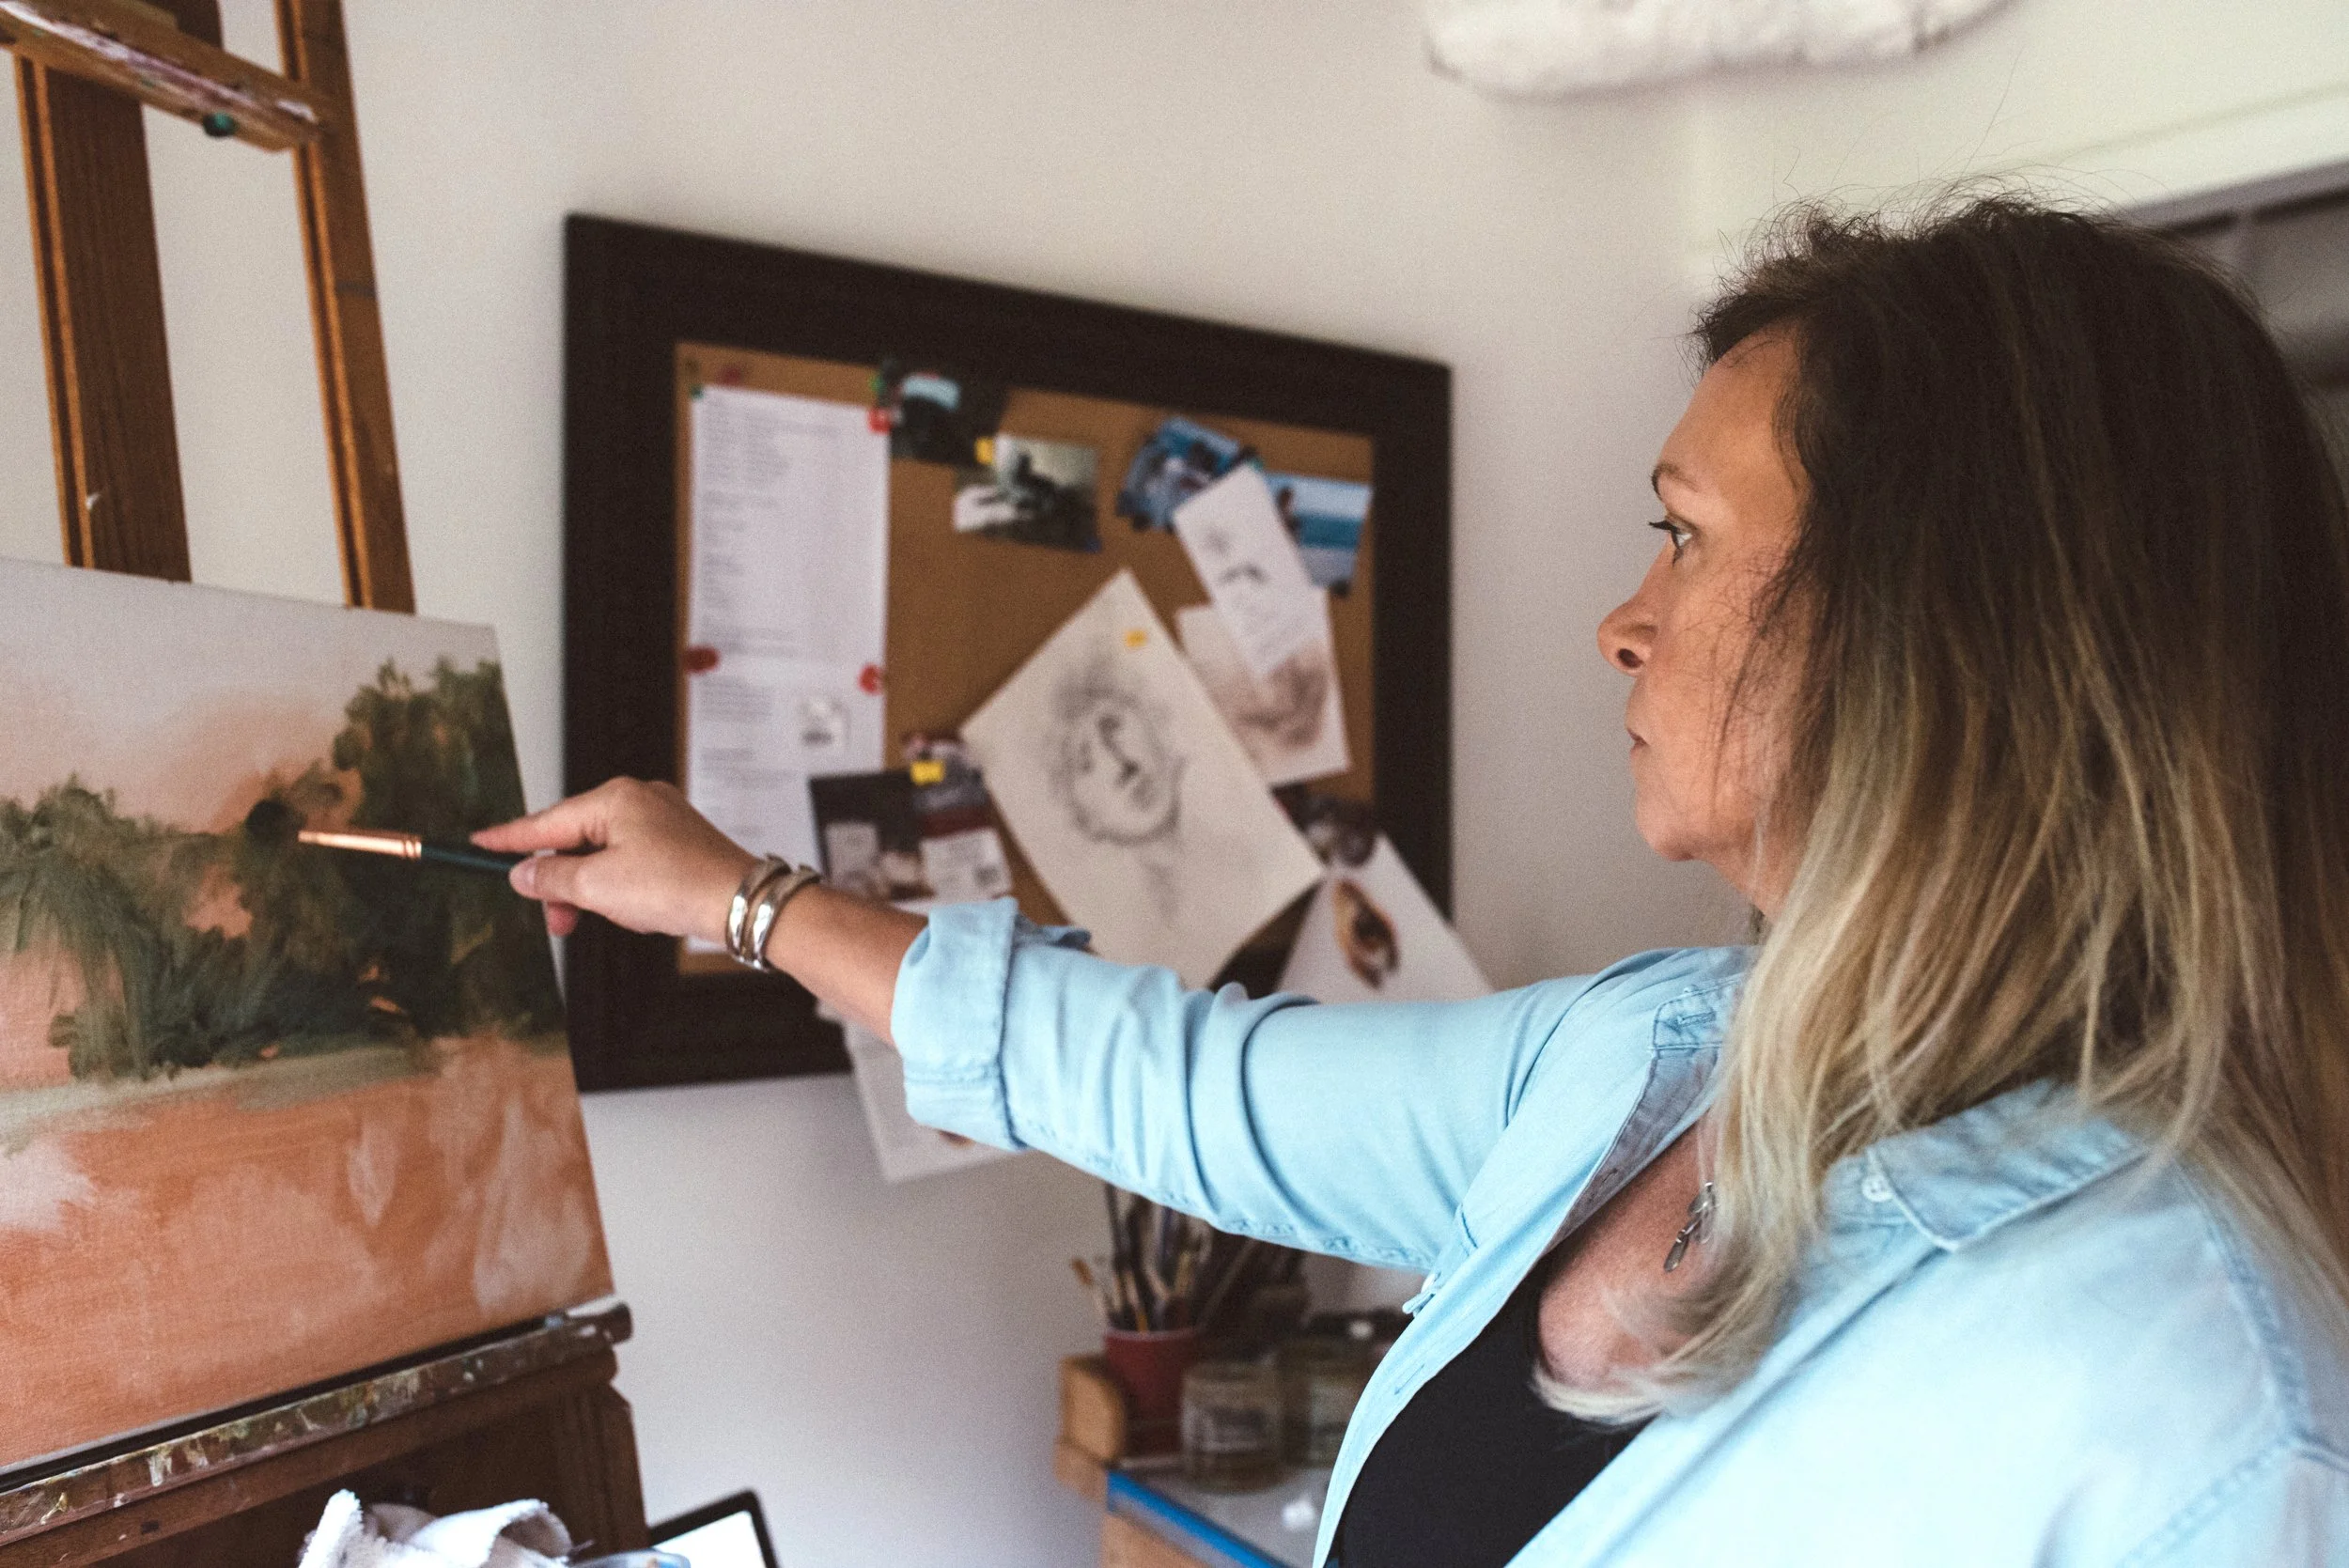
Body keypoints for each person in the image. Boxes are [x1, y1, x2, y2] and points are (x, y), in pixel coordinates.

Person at [477, 196, 2349, 1565]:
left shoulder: (2201, 1405)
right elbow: (1192, 1088)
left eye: (1684, 539)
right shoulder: (1647, 1063)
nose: (1622, 622)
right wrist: (737, 900)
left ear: (1947, 623)